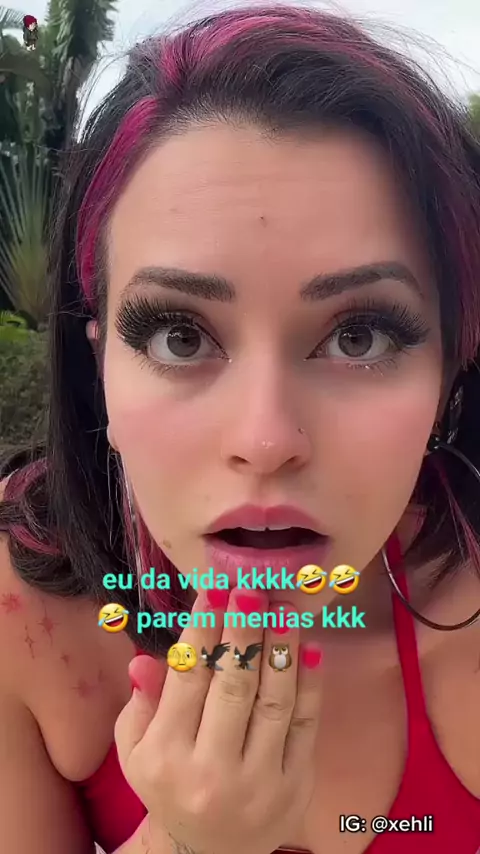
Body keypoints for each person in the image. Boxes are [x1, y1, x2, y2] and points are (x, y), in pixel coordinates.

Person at [1, 4, 480, 853]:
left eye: (359, 337)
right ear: (100, 368)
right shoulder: (25, 618)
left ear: (450, 373)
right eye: (180, 337)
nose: (265, 441)